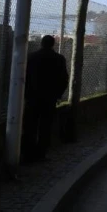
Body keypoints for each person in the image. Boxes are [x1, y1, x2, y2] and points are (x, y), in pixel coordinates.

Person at [22, 35, 69, 163]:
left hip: (32, 97)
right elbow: (64, 79)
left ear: (41, 43)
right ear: (53, 44)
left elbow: (23, 77)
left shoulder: (31, 57)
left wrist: (25, 94)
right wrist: (58, 94)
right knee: (45, 126)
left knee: (30, 125)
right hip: (49, 98)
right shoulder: (59, 59)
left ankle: (27, 153)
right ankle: (41, 153)